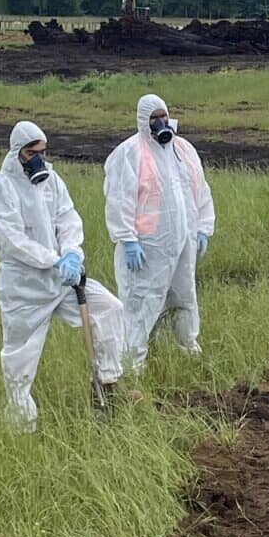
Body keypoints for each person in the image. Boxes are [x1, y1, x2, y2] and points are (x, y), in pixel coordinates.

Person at [0, 120, 124, 428]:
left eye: (43, 152)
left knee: (110, 308)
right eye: (32, 152)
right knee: (20, 359)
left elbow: (68, 219)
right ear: (18, 152)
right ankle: (21, 425)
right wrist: (53, 260)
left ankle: (107, 389)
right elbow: (13, 240)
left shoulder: (52, 180)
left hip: (61, 280)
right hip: (24, 287)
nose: (39, 159)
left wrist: (73, 252)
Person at [104, 91, 215, 373]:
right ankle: (134, 363)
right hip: (146, 248)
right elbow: (119, 200)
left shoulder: (183, 150)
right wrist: (127, 240)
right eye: (154, 118)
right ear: (143, 121)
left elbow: (200, 190)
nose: (160, 122)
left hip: (183, 242)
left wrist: (203, 227)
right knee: (142, 301)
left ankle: (187, 348)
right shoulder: (129, 153)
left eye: (163, 115)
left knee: (183, 295)